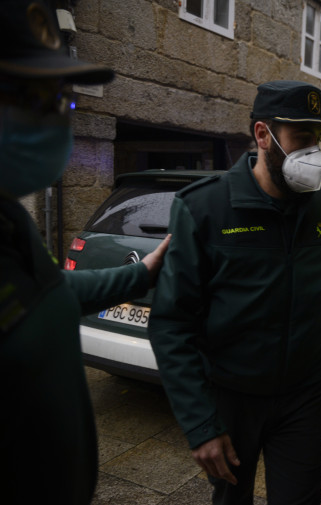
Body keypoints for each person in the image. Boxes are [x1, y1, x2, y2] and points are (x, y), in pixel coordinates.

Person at [148, 80, 321, 505]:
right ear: (263, 135)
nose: (313, 152)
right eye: (301, 138)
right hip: (232, 397)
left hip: (306, 396)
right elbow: (170, 323)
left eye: (317, 139)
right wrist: (200, 424)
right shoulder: (205, 208)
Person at [0, 1, 171, 504]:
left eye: (60, 99)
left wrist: (145, 270)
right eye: (28, 95)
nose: (55, 118)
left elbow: (50, 291)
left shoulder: (9, 221)